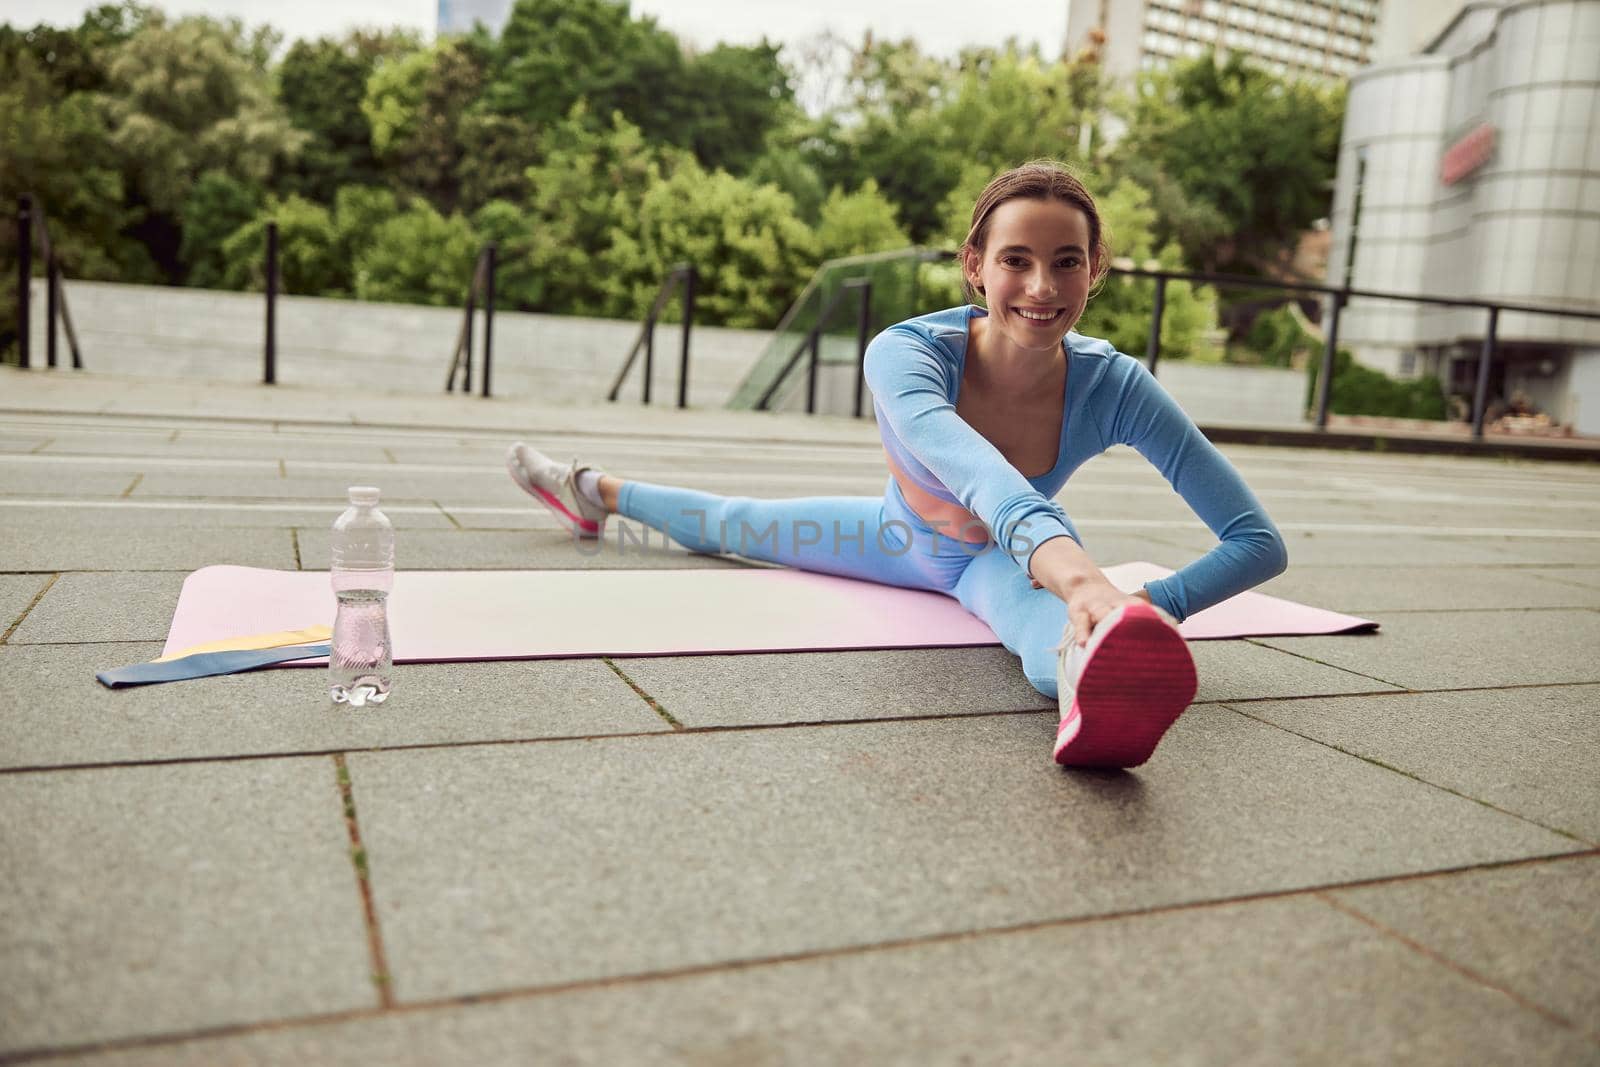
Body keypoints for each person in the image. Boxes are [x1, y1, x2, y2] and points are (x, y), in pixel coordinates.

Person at [507, 160, 1288, 769]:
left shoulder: (1115, 384)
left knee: (1055, 657)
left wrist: (1152, 602)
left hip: (998, 568)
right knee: (728, 521)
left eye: (1068, 262)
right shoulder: (905, 353)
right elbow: (980, 474)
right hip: (891, 535)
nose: (1043, 287)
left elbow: (1258, 541)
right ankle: (589, 490)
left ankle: (1098, 673)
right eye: (1017, 259)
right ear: (975, 265)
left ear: (1096, 270)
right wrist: (1086, 580)